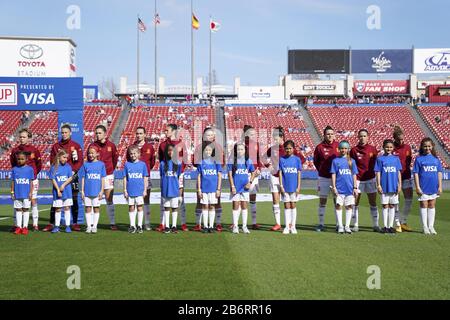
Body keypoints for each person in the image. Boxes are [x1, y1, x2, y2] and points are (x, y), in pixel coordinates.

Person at [265, 126, 305, 231]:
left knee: (288, 201)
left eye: (276, 137)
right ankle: (278, 223)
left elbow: (302, 159)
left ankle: (290, 224)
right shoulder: (272, 148)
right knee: (275, 199)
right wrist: (269, 166)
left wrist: (293, 169)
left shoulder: (289, 148)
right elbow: (263, 157)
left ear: (282, 136)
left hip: (286, 178)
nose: (274, 139)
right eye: (273, 137)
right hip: (274, 176)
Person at [44, 124, 83, 232]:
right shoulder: (56, 146)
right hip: (59, 176)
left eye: (66, 132)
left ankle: (74, 223)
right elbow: (52, 160)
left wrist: (73, 171)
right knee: (56, 199)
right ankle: (52, 223)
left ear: (70, 133)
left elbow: (80, 161)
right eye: (63, 132)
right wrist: (56, 170)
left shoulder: (76, 145)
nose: (64, 134)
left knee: (73, 199)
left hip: (71, 175)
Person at [193, 127, 225, 232]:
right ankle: (198, 223)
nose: (210, 136)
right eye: (208, 134)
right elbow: (196, 164)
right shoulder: (198, 148)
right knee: (200, 201)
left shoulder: (218, 148)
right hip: (203, 179)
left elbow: (221, 164)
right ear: (203, 136)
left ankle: (218, 223)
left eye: (212, 135)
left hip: (214, 181)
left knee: (216, 201)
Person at [9, 128, 42, 232]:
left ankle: (35, 224)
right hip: (20, 180)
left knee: (33, 200)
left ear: (29, 138)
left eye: (24, 137)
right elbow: (13, 164)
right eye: (20, 137)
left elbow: (39, 165)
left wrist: (34, 174)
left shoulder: (34, 150)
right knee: (17, 200)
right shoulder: (15, 150)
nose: (22, 139)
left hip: (32, 180)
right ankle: (17, 225)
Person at [157, 124, 188, 232]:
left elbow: (185, 159)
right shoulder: (162, 145)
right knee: (164, 198)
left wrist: (179, 173)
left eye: (167, 130)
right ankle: (163, 223)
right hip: (167, 174)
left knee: (179, 198)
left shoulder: (181, 144)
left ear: (174, 131)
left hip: (178, 174)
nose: (165, 132)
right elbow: (161, 159)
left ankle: (182, 223)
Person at [88, 125, 118, 230]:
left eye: (100, 133)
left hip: (108, 175)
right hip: (95, 176)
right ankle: (91, 224)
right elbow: (89, 160)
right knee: (93, 199)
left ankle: (112, 223)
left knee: (109, 199)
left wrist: (109, 170)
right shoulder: (92, 145)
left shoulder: (112, 146)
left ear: (105, 133)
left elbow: (115, 160)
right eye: (96, 133)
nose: (97, 135)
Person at [350, 129, 380, 232]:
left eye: (364, 136)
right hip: (358, 179)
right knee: (355, 202)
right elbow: (351, 165)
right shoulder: (353, 150)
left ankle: (376, 225)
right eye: (361, 136)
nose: (362, 138)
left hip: (370, 178)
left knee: (373, 202)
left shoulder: (373, 149)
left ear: (368, 137)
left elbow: (377, 164)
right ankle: (355, 224)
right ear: (358, 137)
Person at [126, 127, 155, 231]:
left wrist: (145, 172)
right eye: (137, 133)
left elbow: (152, 162)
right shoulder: (131, 147)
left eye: (141, 133)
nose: (139, 135)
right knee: (133, 203)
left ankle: (146, 223)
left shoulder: (150, 147)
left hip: (145, 177)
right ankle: (134, 224)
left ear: (145, 134)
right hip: (134, 179)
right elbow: (128, 160)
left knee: (146, 200)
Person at [413, 138, 443, 235]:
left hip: (433, 186)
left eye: (429, 146)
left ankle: (431, 226)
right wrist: (417, 186)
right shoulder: (419, 159)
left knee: (431, 205)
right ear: (422, 147)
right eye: (425, 146)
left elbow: (439, 173)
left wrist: (440, 186)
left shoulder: (436, 159)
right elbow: (416, 173)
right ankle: (424, 227)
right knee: (424, 205)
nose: (427, 148)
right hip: (423, 186)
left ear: (432, 146)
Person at [313, 126, 340, 232]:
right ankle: (321, 224)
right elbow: (316, 162)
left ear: (334, 134)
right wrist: (322, 170)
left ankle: (339, 224)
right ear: (324, 135)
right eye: (328, 134)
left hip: (337, 179)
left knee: (337, 202)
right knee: (322, 201)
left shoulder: (339, 146)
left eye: (331, 134)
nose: (330, 135)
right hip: (323, 177)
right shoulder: (319, 147)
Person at [228, 143, 256, 234]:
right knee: (235, 206)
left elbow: (253, 172)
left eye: (242, 149)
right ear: (235, 151)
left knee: (244, 206)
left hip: (245, 188)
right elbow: (230, 175)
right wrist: (232, 186)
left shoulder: (248, 161)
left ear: (245, 150)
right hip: (235, 188)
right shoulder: (232, 160)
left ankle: (244, 226)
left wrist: (250, 182)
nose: (240, 151)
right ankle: (235, 226)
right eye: (238, 149)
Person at [331, 141, 359, 234]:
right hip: (339, 188)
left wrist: (355, 187)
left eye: (345, 148)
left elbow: (354, 174)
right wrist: (334, 186)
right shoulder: (335, 161)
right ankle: (340, 226)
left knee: (349, 206)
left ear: (348, 149)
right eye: (342, 148)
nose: (343, 150)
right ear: (339, 149)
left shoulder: (352, 161)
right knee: (338, 206)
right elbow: (333, 174)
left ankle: (347, 226)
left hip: (350, 188)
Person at [375, 139, 402, 234]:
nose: (389, 148)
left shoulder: (396, 159)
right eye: (387, 147)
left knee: (392, 205)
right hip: (384, 186)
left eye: (390, 147)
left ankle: (391, 226)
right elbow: (378, 172)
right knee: (385, 205)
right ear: (383, 147)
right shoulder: (380, 159)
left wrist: (400, 185)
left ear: (393, 148)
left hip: (394, 186)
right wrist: (378, 185)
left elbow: (398, 172)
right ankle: (385, 226)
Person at [79, 146, 106, 234]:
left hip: (97, 191)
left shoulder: (101, 164)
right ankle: (88, 226)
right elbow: (83, 178)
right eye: (89, 153)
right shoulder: (85, 164)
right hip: (87, 191)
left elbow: (102, 178)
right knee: (87, 208)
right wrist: (82, 191)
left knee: (96, 208)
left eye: (92, 153)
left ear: (97, 154)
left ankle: (94, 226)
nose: (90, 155)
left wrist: (102, 191)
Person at [196, 141, 223, 233]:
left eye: (209, 150)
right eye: (206, 150)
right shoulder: (201, 162)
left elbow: (219, 175)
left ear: (212, 151)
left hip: (213, 189)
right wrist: (199, 189)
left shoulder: (216, 162)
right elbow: (199, 176)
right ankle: (205, 226)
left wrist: (218, 189)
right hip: (204, 189)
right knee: (205, 206)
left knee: (212, 206)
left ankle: (211, 226)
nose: (208, 152)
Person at [123, 145, 149, 234]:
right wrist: (125, 190)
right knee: (131, 207)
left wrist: (145, 189)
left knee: (140, 207)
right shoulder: (127, 164)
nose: (133, 155)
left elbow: (145, 177)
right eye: (131, 154)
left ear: (138, 154)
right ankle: (132, 225)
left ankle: (139, 226)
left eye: (134, 153)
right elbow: (125, 178)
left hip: (139, 190)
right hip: (130, 190)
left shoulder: (142, 164)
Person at [279, 140, 302, 235]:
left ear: (293, 149)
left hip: (294, 187)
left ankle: (293, 226)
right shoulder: (281, 159)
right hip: (285, 187)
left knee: (293, 205)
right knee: (286, 205)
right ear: (284, 149)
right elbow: (280, 172)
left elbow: (299, 173)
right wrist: (281, 185)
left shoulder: (297, 159)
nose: (288, 150)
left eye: (290, 148)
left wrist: (298, 186)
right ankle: (287, 226)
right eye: (286, 148)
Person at [392, 126, 413, 232]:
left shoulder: (408, 147)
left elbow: (408, 162)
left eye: (402, 139)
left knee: (409, 199)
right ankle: (397, 223)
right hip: (394, 178)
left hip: (406, 176)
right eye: (398, 139)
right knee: (396, 200)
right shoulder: (391, 148)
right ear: (394, 138)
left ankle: (403, 221)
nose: (401, 141)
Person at [49, 149, 74, 233]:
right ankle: (56, 226)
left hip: (67, 191)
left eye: (66, 158)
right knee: (58, 209)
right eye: (64, 157)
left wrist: (63, 185)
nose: (65, 159)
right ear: (59, 157)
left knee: (67, 208)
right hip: (57, 192)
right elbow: (53, 179)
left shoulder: (68, 167)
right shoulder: (53, 167)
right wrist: (58, 190)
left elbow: (70, 178)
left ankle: (67, 226)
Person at [242, 125, 262, 230]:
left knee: (253, 198)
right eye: (251, 134)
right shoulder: (239, 145)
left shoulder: (257, 145)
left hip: (253, 174)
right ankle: (238, 223)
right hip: (242, 174)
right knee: (241, 198)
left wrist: (259, 169)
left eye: (254, 134)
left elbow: (259, 159)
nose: (253, 136)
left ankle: (254, 222)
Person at [160, 144, 182, 234]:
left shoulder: (178, 163)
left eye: (172, 150)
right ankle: (167, 226)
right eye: (168, 150)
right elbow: (161, 176)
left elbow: (179, 175)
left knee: (174, 208)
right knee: (166, 208)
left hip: (174, 189)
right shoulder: (162, 163)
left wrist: (180, 190)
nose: (170, 152)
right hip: (166, 189)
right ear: (166, 152)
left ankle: (174, 226)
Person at [11, 152, 34, 235]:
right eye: (18, 159)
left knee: (26, 209)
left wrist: (31, 192)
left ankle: (25, 227)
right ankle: (18, 227)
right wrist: (12, 192)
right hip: (17, 194)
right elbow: (13, 181)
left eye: (22, 159)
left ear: (26, 159)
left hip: (26, 194)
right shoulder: (14, 169)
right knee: (18, 210)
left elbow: (31, 182)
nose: (20, 160)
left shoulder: (30, 169)